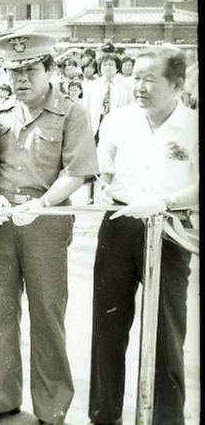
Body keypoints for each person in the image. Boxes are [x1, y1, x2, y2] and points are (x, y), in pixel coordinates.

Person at [0, 33, 98, 425]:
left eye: (29, 69)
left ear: (50, 69)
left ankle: (51, 405)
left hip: (45, 221)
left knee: (46, 314)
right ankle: (4, 394)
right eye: (14, 71)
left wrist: (43, 203)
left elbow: (77, 171)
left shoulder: (71, 113)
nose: (21, 79)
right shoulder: (0, 112)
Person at [88, 47, 198, 425]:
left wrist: (164, 200)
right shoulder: (118, 121)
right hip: (120, 224)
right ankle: (104, 416)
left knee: (167, 332)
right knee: (108, 325)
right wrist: (110, 190)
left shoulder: (192, 125)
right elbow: (103, 171)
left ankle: (165, 420)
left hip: (169, 229)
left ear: (178, 85)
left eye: (150, 79)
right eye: (135, 77)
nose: (140, 86)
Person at [83, 55, 133, 141]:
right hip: (95, 128)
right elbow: (85, 110)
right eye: (104, 65)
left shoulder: (127, 87)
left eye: (110, 65)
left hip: (118, 129)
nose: (107, 67)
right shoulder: (90, 86)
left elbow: (131, 109)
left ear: (117, 68)